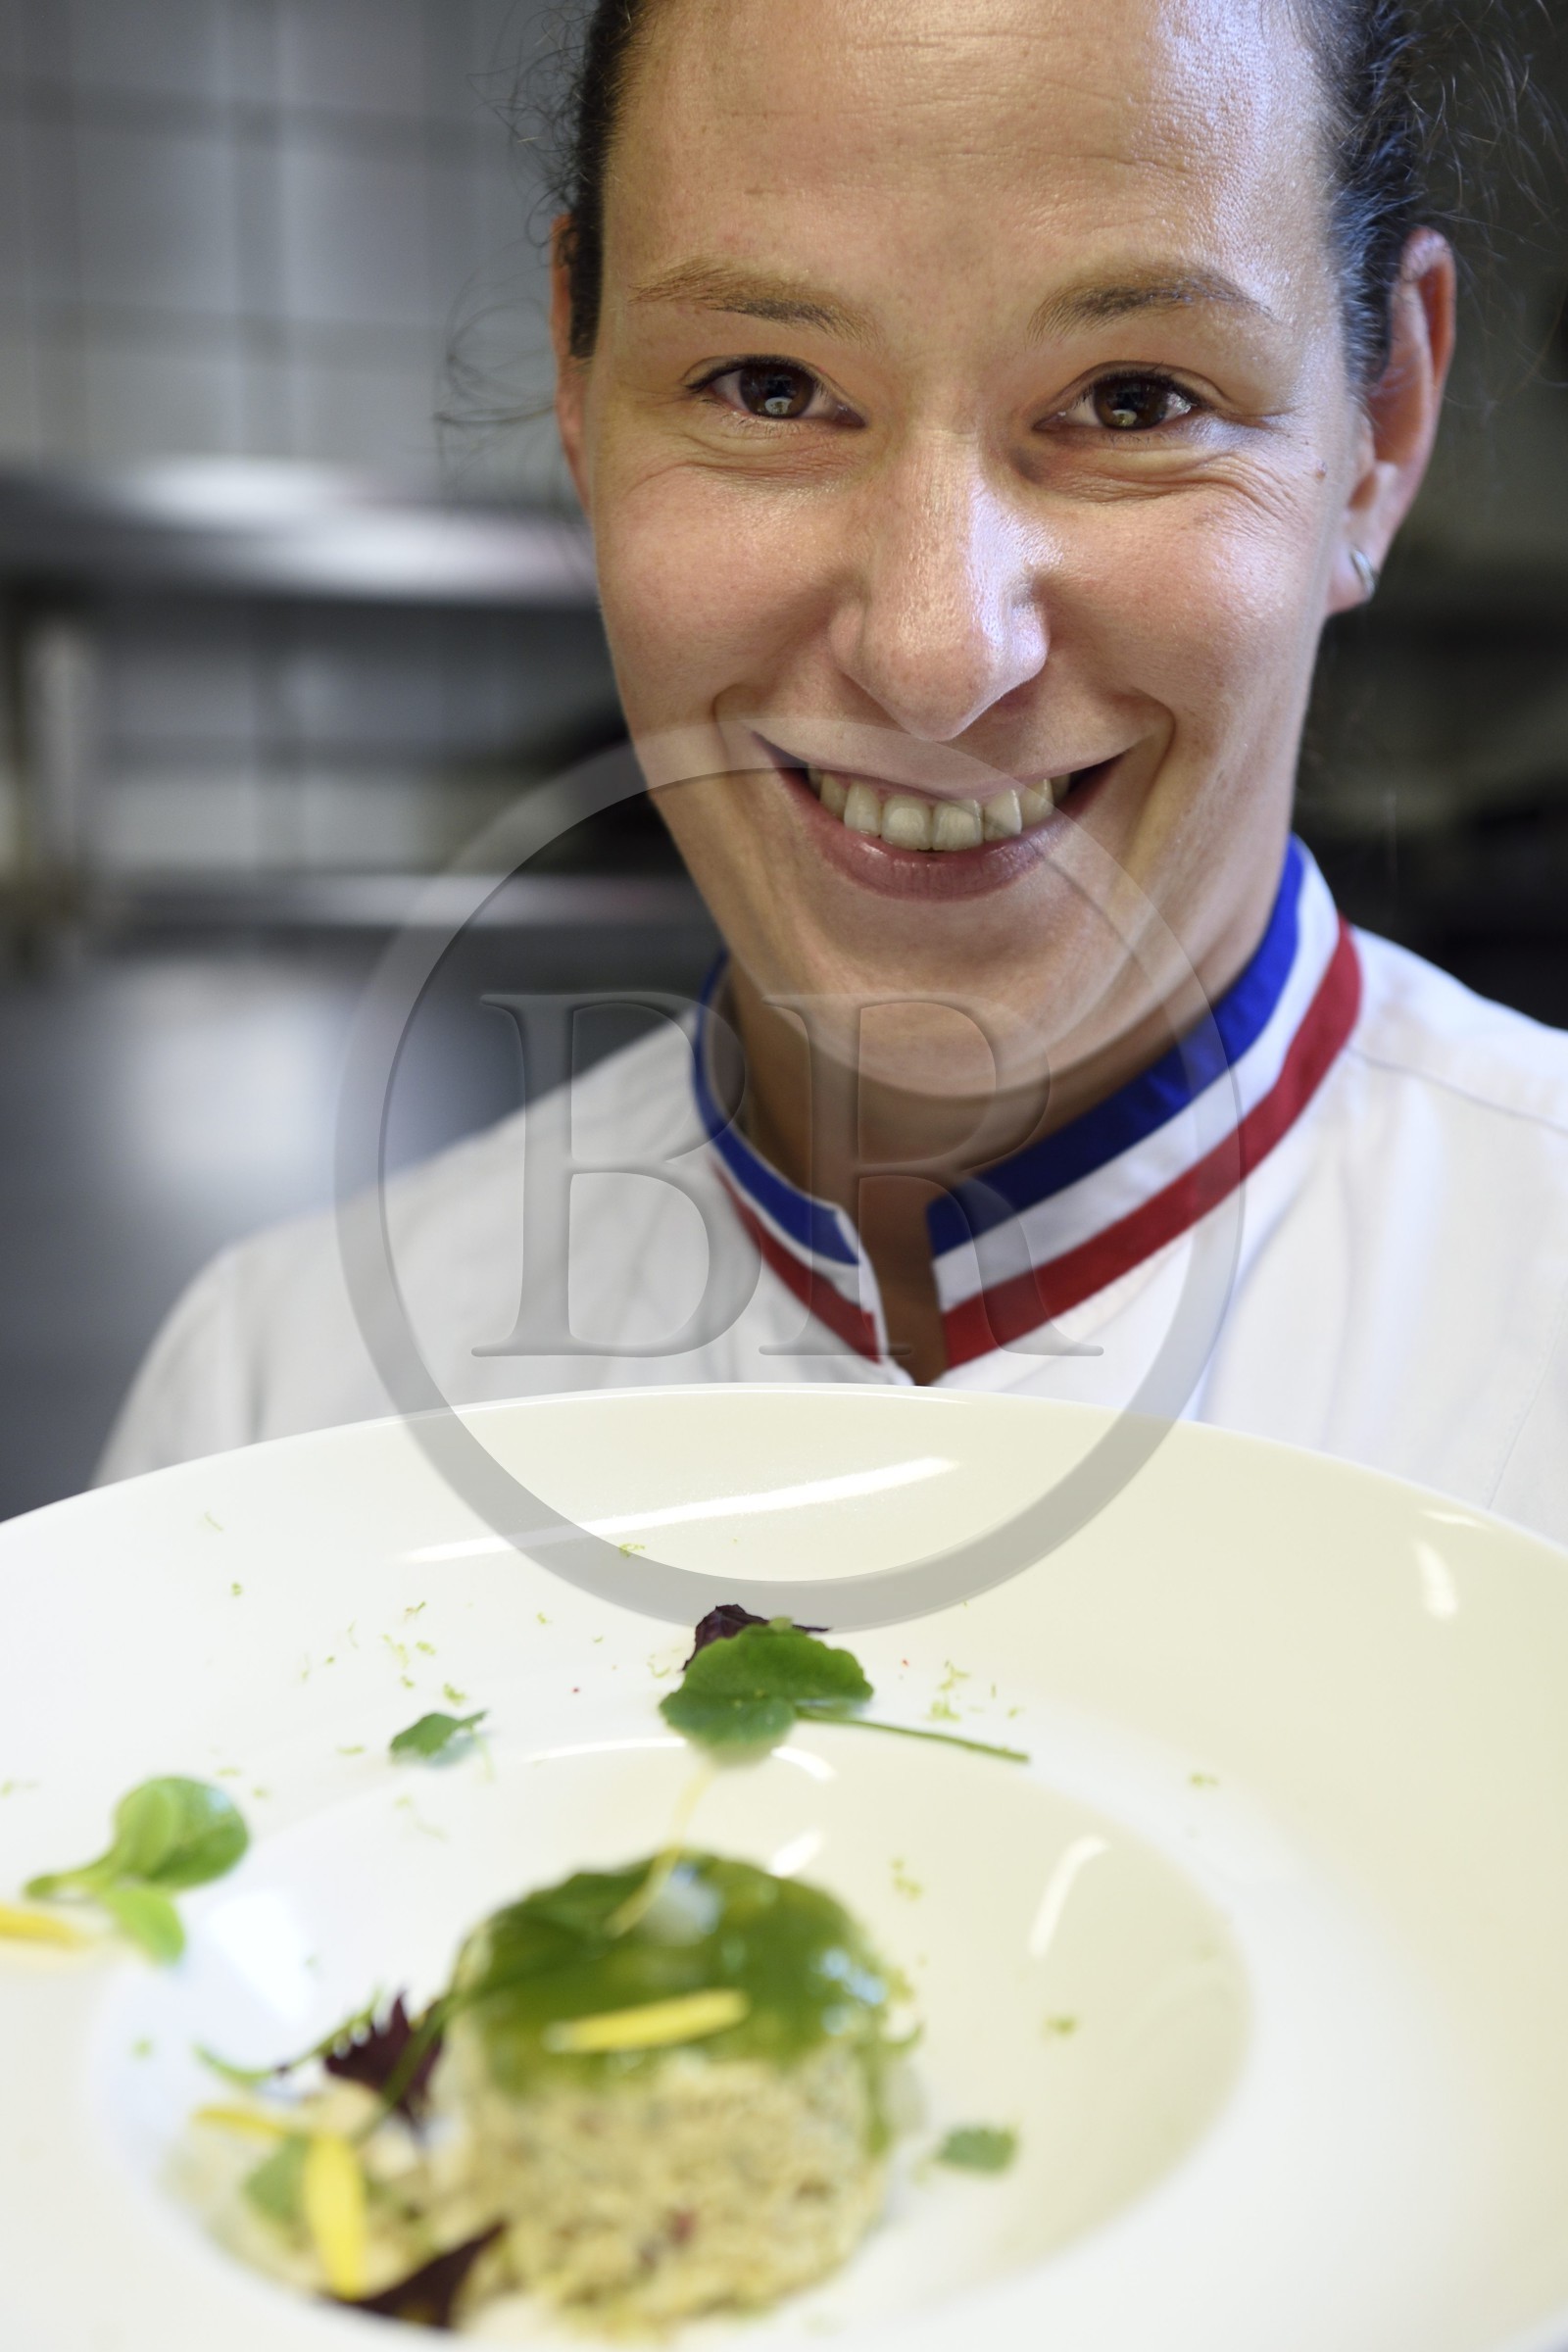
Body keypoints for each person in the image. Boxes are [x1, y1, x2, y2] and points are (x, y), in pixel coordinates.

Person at [100, 0, 1568, 1544]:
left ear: (1383, 426)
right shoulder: (282, 1406)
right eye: (767, 385)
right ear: (577, 383)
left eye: (1136, 399)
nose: (937, 655)